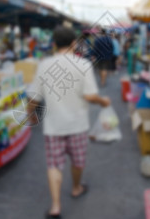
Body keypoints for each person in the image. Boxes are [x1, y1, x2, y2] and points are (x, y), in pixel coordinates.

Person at [26, 26, 111, 219]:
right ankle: (76, 188)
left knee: (54, 165)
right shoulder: (83, 65)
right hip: (77, 125)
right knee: (78, 161)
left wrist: (30, 115)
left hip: (53, 126)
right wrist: (103, 101)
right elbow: (90, 96)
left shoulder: (44, 65)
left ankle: (55, 207)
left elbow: (33, 98)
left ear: (54, 44)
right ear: (74, 43)